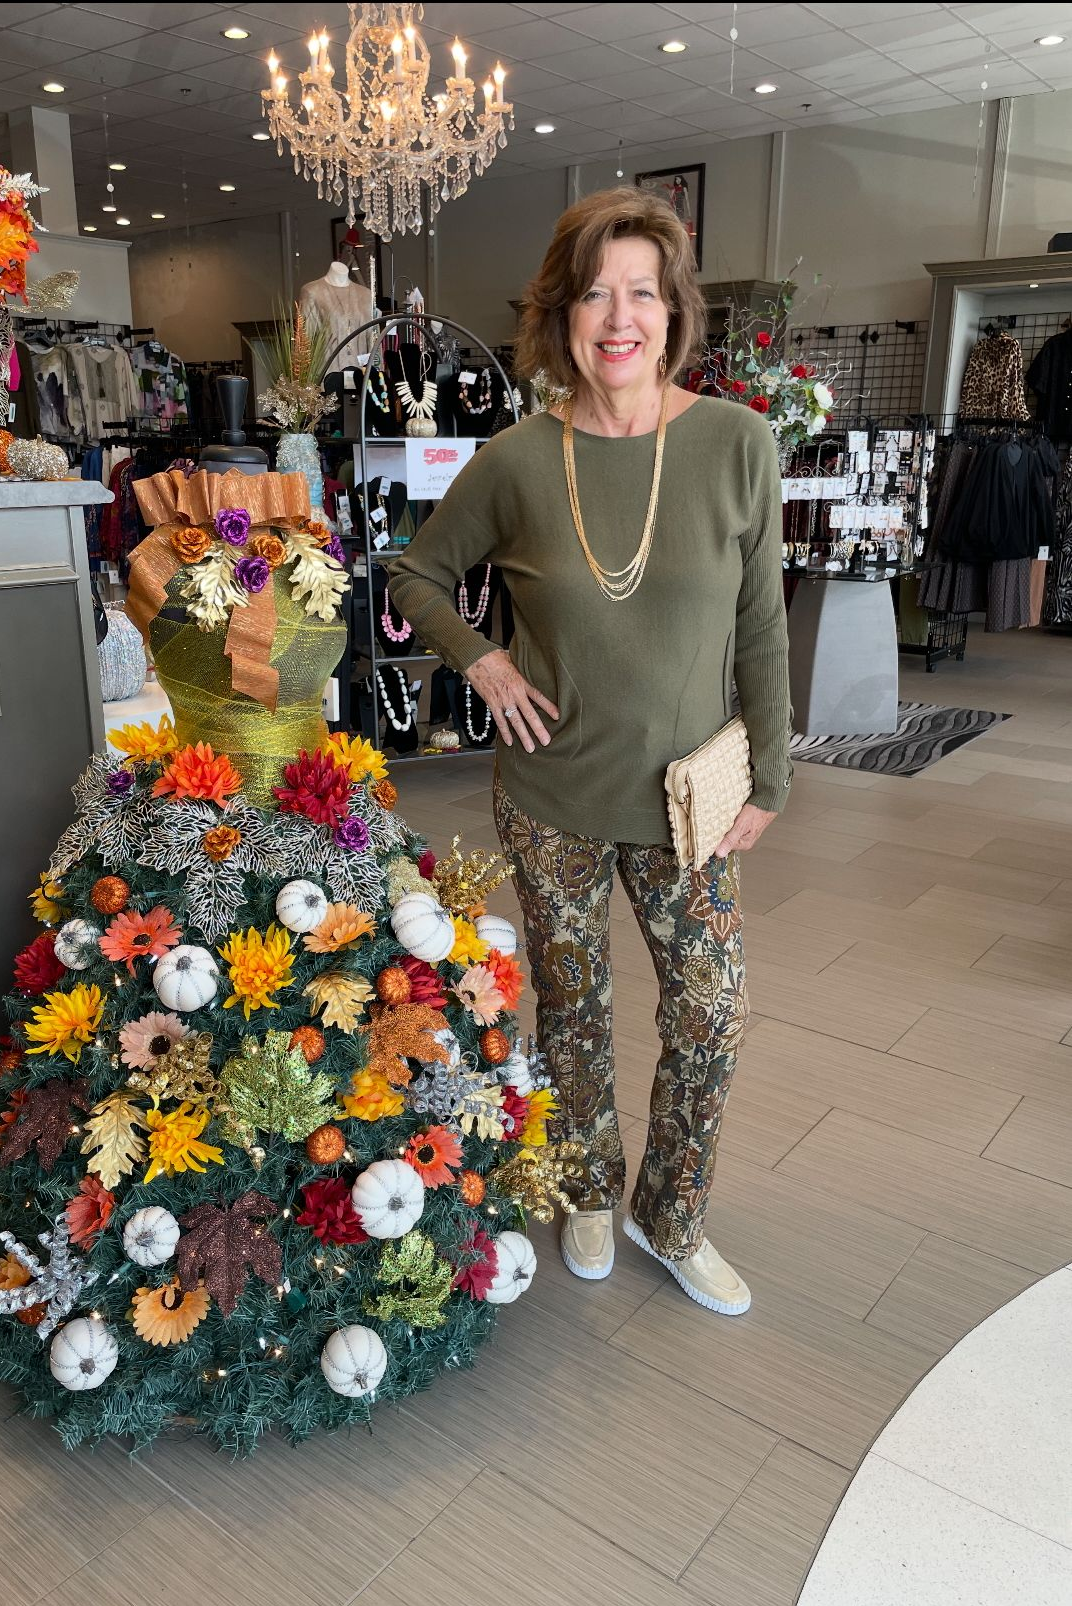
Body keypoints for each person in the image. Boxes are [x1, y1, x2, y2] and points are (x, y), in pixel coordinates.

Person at [387, 187, 792, 1317]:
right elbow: (415, 576)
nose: (620, 317)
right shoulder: (521, 459)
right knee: (572, 1010)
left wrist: (773, 771)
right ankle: (587, 1191)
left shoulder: (733, 443)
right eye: (596, 294)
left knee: (710, 1009)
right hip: (554, 795)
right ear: (563, 315)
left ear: (673, 312)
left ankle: (675, 1210)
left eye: (643, 294)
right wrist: (485, 661)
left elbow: (761, 622)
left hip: (689, 802)